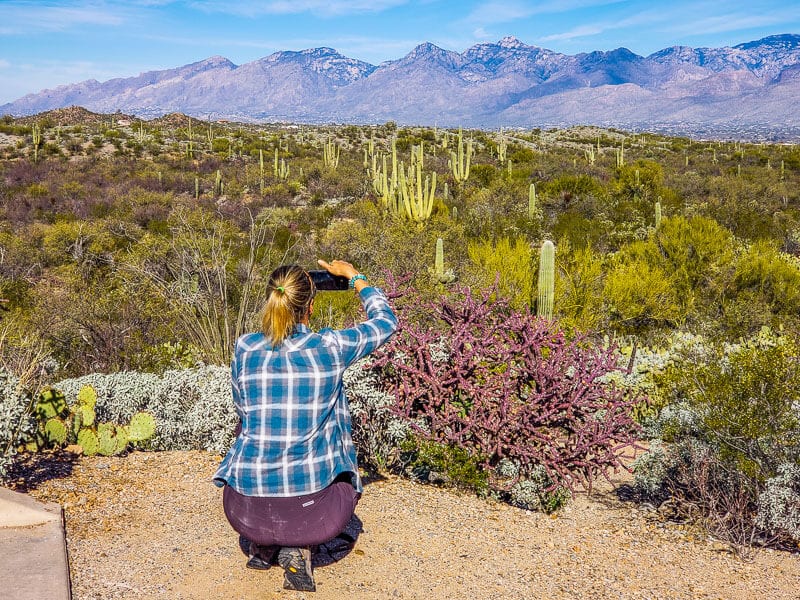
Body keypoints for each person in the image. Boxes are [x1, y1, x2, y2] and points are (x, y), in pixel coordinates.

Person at [213, 259, 397, 592]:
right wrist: (356, 277)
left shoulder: (245, 347)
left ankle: (262, 544)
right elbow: (386, 321)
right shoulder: (330, 347)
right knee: (345, 473)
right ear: (310, 307)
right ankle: (296, 546)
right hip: (315, 518)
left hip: (243, 513)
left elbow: (241, 409)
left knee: (247, 427)